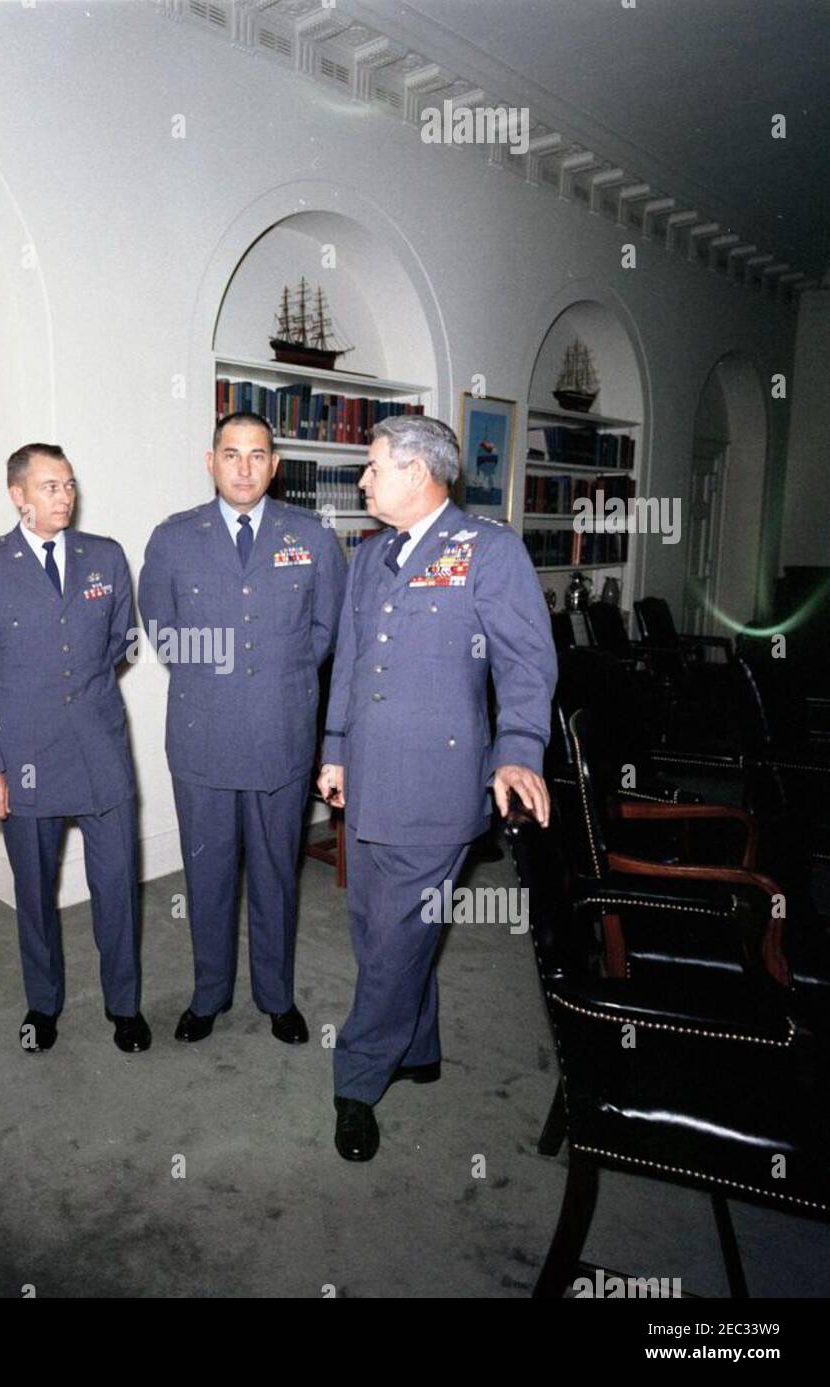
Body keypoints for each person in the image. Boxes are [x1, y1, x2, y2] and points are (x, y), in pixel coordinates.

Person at [317, 414, 555, 1162]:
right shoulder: (370, 556)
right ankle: (420, 1048)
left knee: (393, 942)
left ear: (419, 472)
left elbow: (526, 662)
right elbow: (351, 663)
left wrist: (519, 749)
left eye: (373, 466)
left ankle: (355, 1080)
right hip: (369, 783)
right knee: (376, 929)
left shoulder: (490, 551)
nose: (363, 481)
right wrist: (335, 751)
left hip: (439, 787)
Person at [138, 412, 346, 1043]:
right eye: (232, 454)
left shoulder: (310, 535)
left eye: (258, 455)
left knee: (278, 875)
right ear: (211, 462)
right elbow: (163, 631)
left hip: (280, 737)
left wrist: (276, 678)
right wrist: (230, 666)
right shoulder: (174, 538)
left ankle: (276, 996)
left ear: (274, 465)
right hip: (202, 739)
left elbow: (325, 631)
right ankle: (208, 995)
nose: (245, 468)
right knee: (207, 874)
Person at [0, 444, 148, 1054]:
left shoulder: (106, 556)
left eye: (68, 485)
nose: (63, 497)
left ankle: (125, 1005)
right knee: (34, 894)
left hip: (100, 752)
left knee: (117, 884)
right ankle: (43, 1004)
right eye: (48, 487)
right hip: (23, 760)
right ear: (17, 496)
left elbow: (122, 639)